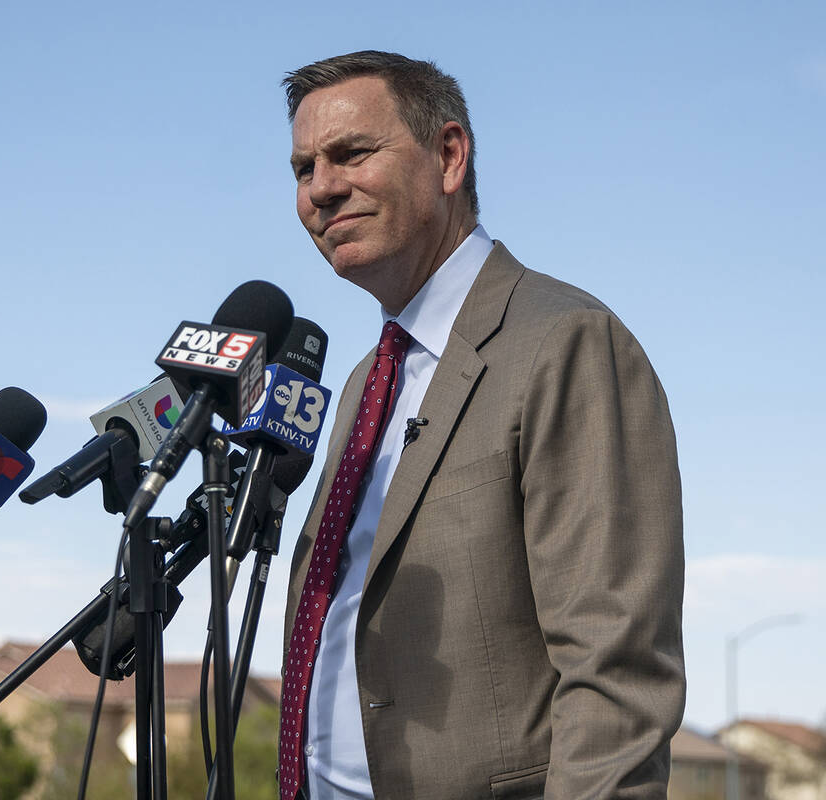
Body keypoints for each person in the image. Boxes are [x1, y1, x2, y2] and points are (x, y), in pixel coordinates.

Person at [276, 51, 685, 800]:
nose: (323, 189)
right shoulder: (365, 384)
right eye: (304, 169)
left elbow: (616, 678)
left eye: (351, 153)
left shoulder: (566, 342)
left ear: (449, 155)